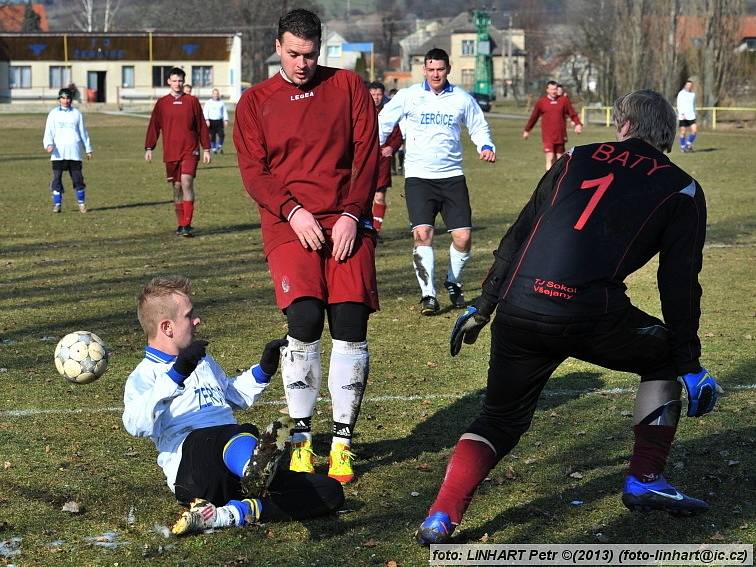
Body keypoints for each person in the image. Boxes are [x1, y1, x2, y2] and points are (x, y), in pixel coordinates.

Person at [416, 90, 723, 545]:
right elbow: (678, 283)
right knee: (662, 359)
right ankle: (645, 478)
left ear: (622, 125)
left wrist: (485, 304)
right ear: (670, 133)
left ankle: (441, 516)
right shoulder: (681, 186)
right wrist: (689, 361)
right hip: (589, 313)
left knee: (498, 420)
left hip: (521, 303)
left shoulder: (576, 156)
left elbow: (520, 232)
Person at [233, 9, 379, 485]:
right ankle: (300, 440)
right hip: (288, 221)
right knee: (305, 317)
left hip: (346, 218)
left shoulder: (348, 87)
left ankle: (341, 443)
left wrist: (354, 216)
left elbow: (368, 155)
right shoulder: (255, 102)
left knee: (350, 320)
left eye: (311, 54)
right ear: (278, 47)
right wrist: (293, 211)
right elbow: (255, 173)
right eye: (294, 54)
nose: (302, 63)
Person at [122, 275, 344, 536]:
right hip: (194, 469)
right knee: (235, 432)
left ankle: (229, 513)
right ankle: (254, 468)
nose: (197, 320)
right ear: (167, 327)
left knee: (328, 492)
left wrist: (264, 369)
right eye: (189, 315)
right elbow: (134, 424)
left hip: (233, 462)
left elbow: (231, 395)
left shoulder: (203, 362)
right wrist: (176, 374)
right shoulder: (144, 375)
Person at [378, 48, 496, 315]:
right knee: (423, 235)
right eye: (430, 69)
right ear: (424, 70)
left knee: (463, 238)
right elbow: (383, 122)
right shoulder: (409, 96)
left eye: (440, 69)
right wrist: (369, 146)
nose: (435, 74)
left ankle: (452, 282)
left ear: (448, 69)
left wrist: (485, 145)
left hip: (452, 177)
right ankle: (428, 295)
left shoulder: (462, 99)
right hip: (419, 178)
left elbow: (478, 125)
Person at [144, 67, 211, 238]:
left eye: (180, 81)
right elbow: (154, 126)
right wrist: (149, 147)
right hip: (171, 152)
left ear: (184, 82)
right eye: (174, 81)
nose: (177, 84)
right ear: (169, 82)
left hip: (190, 150)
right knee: (177, 187)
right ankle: (180, 224)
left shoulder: (192, 101)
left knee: (186, 182)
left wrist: (207, 148)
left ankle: (187, 224)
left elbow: (201, 126)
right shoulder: (162, 103)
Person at [43, 87, 92, 214]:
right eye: (63, 98)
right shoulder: (53, 114)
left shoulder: (76, 114)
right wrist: (48, 144)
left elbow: (83, 132)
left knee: (78, 179)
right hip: (58, 153)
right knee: (57, 179)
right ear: (59, 99)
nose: (66, 100)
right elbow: (48, 131)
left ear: (71, 99)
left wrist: (88, 149)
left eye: (68, 98)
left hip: (74, 153)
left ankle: (81, 204)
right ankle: (57, 204)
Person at [368, 81, 403, 234]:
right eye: (373, 94)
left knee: (379, 197)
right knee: (362, 198)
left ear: (384, 95)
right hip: (363, 161)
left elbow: (397, 136)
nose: (376, 98)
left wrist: (391, 147)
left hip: (381, 161)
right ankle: (364, 229)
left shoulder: (390, 113)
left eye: (379, 94)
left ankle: (376, 231)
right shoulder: (360, 111)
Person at [523, 80, 583, 171]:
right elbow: (533, 117)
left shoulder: (563, 100)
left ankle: (557, 180)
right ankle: (549, 181)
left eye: (555, 89)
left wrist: (578, 124)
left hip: (560, 135)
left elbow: (572, 113)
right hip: (548, 136)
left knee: (559, 159)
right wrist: (527, 130)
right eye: (551, 89)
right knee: (550, 157)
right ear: (547, 90)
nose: (554, 91)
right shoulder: (541, 102)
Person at [203, 88, 229, 154]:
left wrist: (226, 120)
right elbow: (205, 111)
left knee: (222, 134)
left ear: (218, 94)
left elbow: (224, 112)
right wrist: (206, 120)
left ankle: (219, 146)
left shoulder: (221, 102)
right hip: (211, 121)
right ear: (212, 94)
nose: (216, 95)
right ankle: (214, 149)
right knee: (212, 136)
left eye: (217, 94)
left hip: (219, 121)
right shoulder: (208, 102)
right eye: (214, 94)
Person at [676, 80, 697, 153]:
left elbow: (694, 105)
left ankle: (688, 144)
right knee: (683, 132)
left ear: (691, 86)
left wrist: (695, 112)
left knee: (694, 131)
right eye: (687, 85)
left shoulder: (693, 94)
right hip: (683, 116)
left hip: (691, 115)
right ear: (685, 85)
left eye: (690, 85)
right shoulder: (681, 93)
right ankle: (682, 147)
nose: (689, 86)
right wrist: (681, 113)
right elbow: (678, 104)